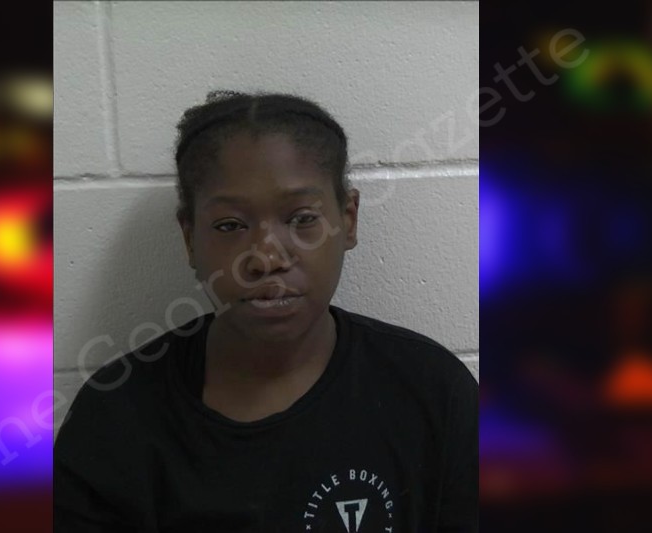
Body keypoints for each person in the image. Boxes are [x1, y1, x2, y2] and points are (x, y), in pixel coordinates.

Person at [54, 91, 478, 532]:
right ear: (190, 238)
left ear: (348, 219)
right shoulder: (115, 419)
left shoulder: (433, 394)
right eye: (230, 225)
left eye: (302, 218)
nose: (266, 257)